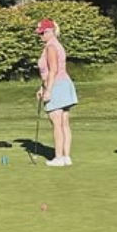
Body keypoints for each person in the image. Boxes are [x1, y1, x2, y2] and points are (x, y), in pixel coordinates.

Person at [35, 18, 77, 166]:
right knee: (64, 123)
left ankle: (59, 157)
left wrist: (48, 90)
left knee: (57, 123)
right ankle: (66, 157)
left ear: (50, 31)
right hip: (64, 84)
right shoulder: (55, 45)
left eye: (42, 33)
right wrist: (42, 87)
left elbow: (53, 70)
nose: (40, 36)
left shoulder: (51, 47)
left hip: (57, 86)